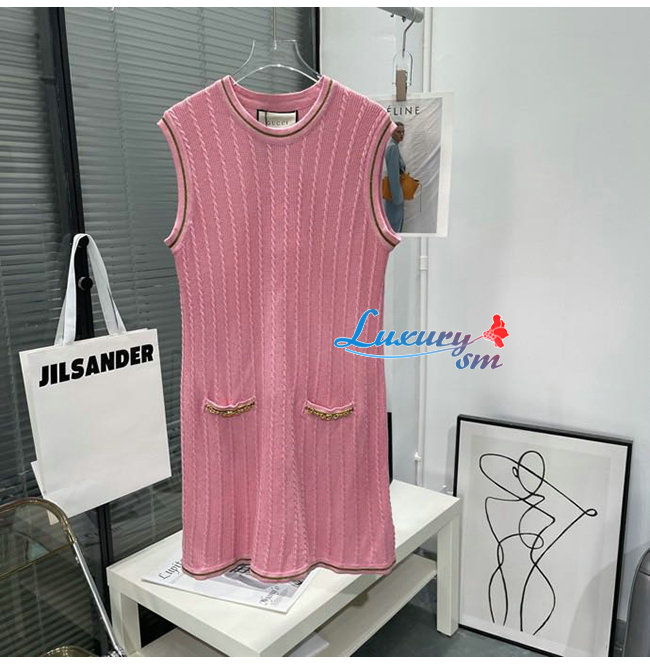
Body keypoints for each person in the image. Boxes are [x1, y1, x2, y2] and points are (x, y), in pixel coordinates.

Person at [383, 121, 406, 233]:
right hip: (395, 196)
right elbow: (393, 175)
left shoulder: (393, 146)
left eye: (403, 132)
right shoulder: (393, 148)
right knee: (394, 228)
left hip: (394, 194)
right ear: (391, 132)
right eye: (398, 132)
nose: (401, 134)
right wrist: (398, 199)